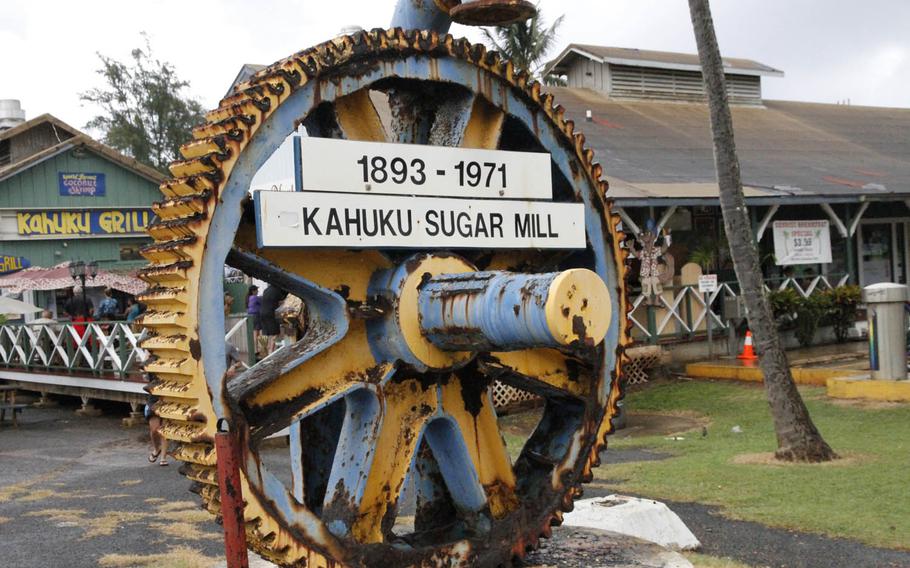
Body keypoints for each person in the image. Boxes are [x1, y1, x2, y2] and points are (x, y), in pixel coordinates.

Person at [260, 284, 288, 355]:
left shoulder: (266, 290)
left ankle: (264, 351)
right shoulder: (277, 290)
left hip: (262, 312)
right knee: (275, 333)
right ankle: (271, 351)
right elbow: (283, 299)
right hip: (271, 313)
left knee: (265, 333)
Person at [145, 392, 167, 466]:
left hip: (168, 399)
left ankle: (163, 458)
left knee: (164, 430)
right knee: (154, 430)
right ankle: (157, 449)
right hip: (154, 400)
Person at [246, 285, 262, 357]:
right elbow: (262, 301)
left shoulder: (248, 297)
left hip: (251, 316)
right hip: (256, 316)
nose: (257, 291)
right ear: (253, 291)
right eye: (256, 290)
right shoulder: (255, 297)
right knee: (256, 334)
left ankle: (255, 349)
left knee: (255, 334)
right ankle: (256, 350)